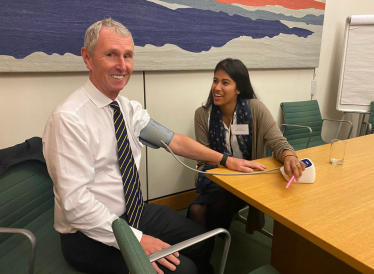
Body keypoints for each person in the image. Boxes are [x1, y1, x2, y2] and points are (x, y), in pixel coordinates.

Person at [42, 19, 267, 274]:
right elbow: (76, 206)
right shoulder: (69, 119)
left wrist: (226, 160)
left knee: (201, 239)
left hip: (133, 213)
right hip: (89, 234)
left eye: (128, 55)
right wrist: (137, 240)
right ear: (87, 58)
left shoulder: (127, 109)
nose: (122, 65)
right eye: (111, 55)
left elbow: (174, 141)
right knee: (184, 269)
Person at [188, 58, 305, 233]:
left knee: (214, 208)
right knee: (196, 210)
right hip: (218, 178)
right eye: (215, 81)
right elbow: (204, 159)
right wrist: (227, 165)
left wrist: (289, 156)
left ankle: (209, 245)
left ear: (239, 88)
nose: (217, 88)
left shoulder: (255, 109)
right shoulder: (202, 115)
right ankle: (203, 254)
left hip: (249, 179)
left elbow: (278, 142)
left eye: (225, 83)